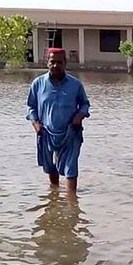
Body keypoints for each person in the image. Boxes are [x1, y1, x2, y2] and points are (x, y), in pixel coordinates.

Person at [26, 48, 90, 196]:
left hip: (70, 132)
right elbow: (30, 106)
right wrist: (35, 124)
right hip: (46, 132)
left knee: (71, 167)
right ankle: (54, 197)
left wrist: (79, 116)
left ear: (65, 63)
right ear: (47, 63)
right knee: (50, 167)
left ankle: (72, 202)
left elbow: (85, 104)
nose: (55, 65)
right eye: (52, 62)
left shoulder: (75, 85)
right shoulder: (38, 84)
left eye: (59, 62)